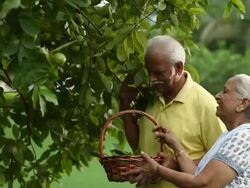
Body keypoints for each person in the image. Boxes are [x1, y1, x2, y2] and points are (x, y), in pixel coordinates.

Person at [119, 35, 226, 188]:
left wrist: (175, 165)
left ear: (179, 68)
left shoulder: (205, 104)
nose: (151, 79)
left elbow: (221, 164)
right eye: (148, 72)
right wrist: (124, 102)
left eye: (158, 73)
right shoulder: (149, 98)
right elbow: (139, 146)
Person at [132, 74, 250, 187]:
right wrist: (176, 146)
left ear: (243, 104)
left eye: (225, 91)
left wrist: (157, 169)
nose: (217, 96)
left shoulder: (243, 137)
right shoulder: (230, 135)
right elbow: (196, 175)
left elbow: (204, 185)